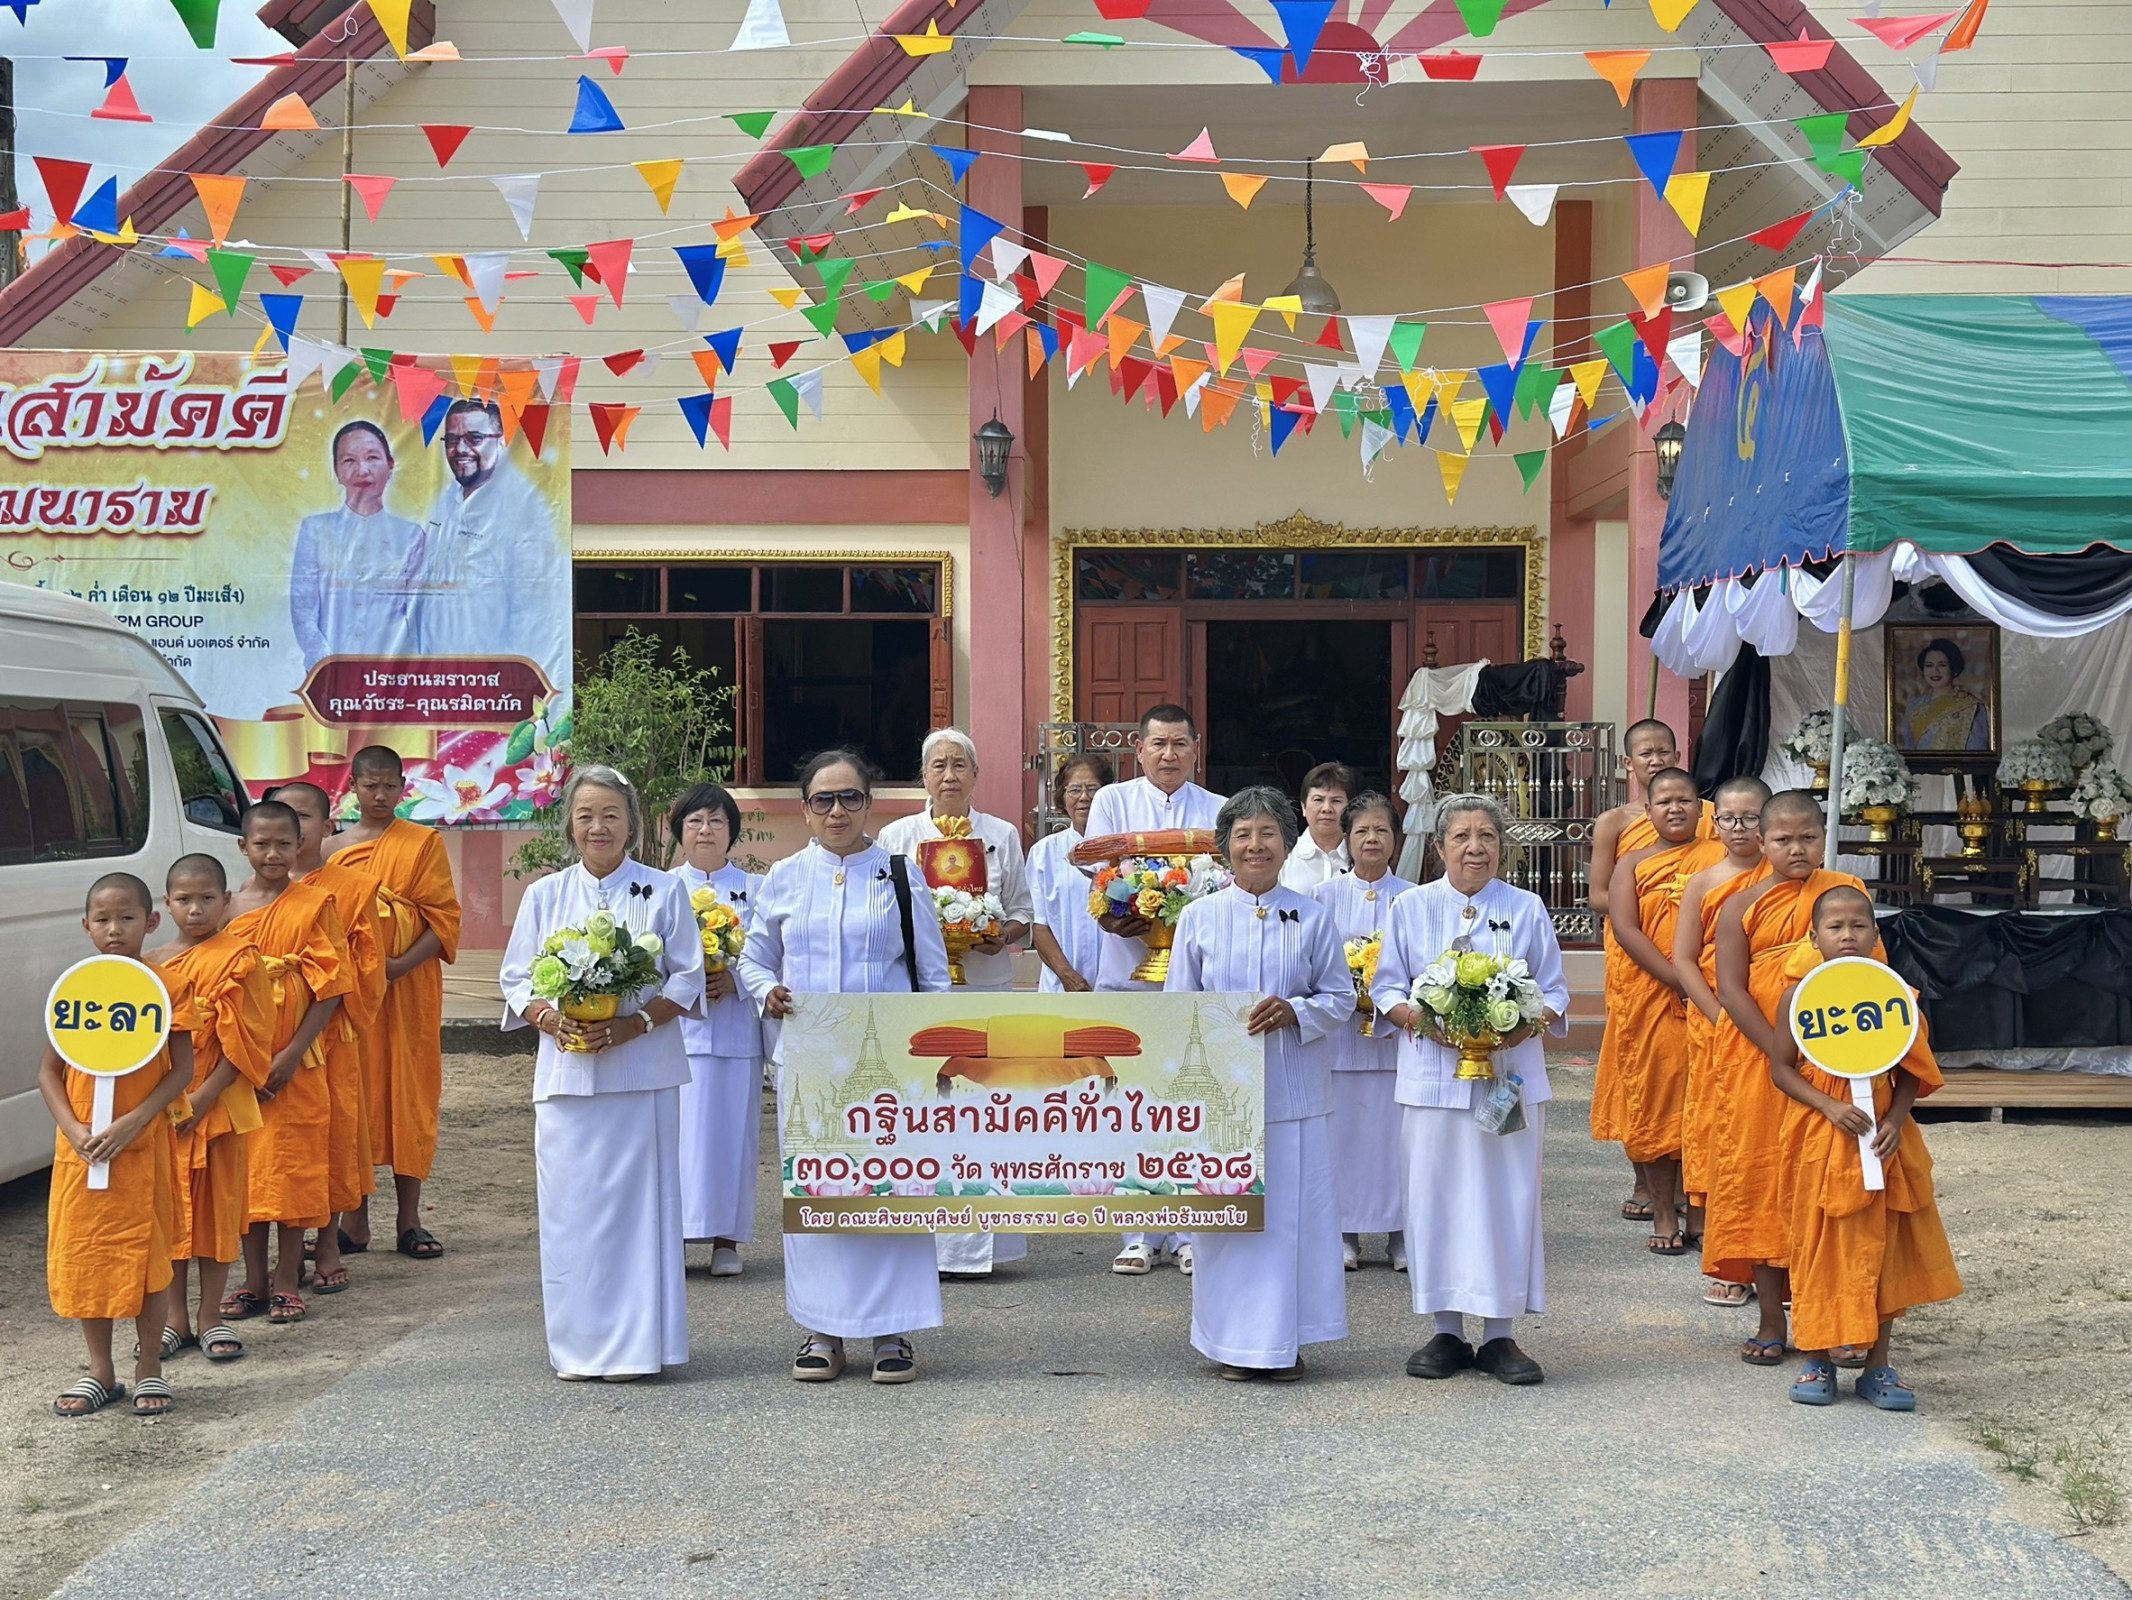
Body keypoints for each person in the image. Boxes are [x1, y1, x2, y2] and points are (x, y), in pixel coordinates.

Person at [736, 749, 952, 1385]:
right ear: (805, 810)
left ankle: (892, 1329)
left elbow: (933, 973)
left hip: (888, 1065)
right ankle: (822, 1328)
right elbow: (752, 959)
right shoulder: (783, 878)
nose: (837, 811)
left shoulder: (900, 876)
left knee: (890, 1191)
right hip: (809, 1064)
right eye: (823, 800)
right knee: (821, 1193)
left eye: (850, 797)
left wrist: (933, 1052)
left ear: (870, 804)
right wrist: (767, 991)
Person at [501, 765, 704, 1382]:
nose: (598, 826)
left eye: (611, 814)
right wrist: (550, 1019)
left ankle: (641, 1347)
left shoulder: (663, 890)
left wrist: (633, 1024)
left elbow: (687, 977)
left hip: (642, 1076)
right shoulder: (545, 895)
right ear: (569, 824)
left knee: (641, 1214)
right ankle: (579, 1347)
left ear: (632, 823)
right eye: (586, 815)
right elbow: (516, 979)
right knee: (571, 1212)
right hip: (566, 1077)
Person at [1376, 795, 1569, 1387]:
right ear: (1439, 848)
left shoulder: (1526, 907)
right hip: (1432, 1080)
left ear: (1502, 847)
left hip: (1507, 1081)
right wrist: (1421, 1019)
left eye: (1486, 836)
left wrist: (1519, 1024)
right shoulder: (1410, 906)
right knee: (1435, 1198)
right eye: (1460, 836)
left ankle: (1500, 1333)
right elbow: (1387, 988)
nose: (1474, 848)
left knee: (1506, 1198)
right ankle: (1446, 1331)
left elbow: (1555, 992)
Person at [1165, 786, 1353, 1380]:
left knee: (1291, 1222)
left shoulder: (1313, 916)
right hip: (1222, 1098)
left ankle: (1284, 1342)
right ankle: (1229, 1343)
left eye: (1267, 833)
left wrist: (1297, 1010)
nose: (1255, 845)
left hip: (1295, 1094)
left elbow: (1341, 997)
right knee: (1228, 1223)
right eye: (1243, 835)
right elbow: (1176, 1007)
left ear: (1287, 843)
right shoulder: (1198, 917)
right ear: (1225, 847)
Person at [1769, 887, 1963, 1410]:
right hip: (1821, 1136)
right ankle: (1817, 1359)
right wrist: (1829, 1107)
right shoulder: (1799, 997)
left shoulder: (1892, 994)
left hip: (1882, 1139)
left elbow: (1910, 1069)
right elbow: (1781, 1069)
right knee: (1818, 1246)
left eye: (1859, 925)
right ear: (1814, 937)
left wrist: (1896, 1119)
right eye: (1835, 927)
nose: (1847, 935)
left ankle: (1878, 1366)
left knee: (1882, 1248)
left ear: (1876, 934)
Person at [1708, 789, 1876, 1366]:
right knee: (1762, 1183)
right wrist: (1781, 1050)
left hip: (1833, 1063)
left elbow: (1870, 975)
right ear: (1761, 841)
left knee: (1827, 1187)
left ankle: (1833, 1317)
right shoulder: (1740, 905)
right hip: (1760, 1062)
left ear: (1824, 838)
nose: (1796, 849)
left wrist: (1826, 1053)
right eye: (1783, 839)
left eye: (1807, 837)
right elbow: (1731, 989)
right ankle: (1770, 1319)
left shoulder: (1847, 895)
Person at [877, 727, 1034, 1279]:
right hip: (920, 993)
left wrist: (1000, 934)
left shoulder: (1002, 834)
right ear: (923, 776)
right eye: (938, 765)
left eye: (959, 765)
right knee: (925, 1112)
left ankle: (983, 1249)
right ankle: (923, 1243)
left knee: (987, 1113)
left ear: (976, 775)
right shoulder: (896, 836)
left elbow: (1023, 912)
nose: (949, 775)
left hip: (986, 988)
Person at [1083, 704, 1226, 1276]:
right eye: (1159, 744)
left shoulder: (1218, 808)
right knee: (1131, 1105)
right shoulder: (1112, 801)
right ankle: (1138, 1232)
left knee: (1192, 1104)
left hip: (1196, 981)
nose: (1169, 755)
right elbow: (1095, 871)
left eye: (1180, 744)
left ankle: (1191, 1231)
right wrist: (1121, 906)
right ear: (1139, 750)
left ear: (1196, 749)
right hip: (1126, 974)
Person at [43, 874, 192, 1417]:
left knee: (148, 1259)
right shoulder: (76, 986)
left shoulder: (166, 987)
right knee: (89, 1255)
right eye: (102, 920)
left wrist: (135, 1120)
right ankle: (100, 1371)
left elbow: (182, 1070)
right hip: (82, 1150)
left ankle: (150, 1367)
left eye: (127, 919)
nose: (114, 930)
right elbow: (48, 1072)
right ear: (86, 926)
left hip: (141, 1146)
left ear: (150, 922)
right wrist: (72, 1129)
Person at [329, 745, 461, 1262]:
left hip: (407, 991)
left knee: (408, 1097)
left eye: (389, 786)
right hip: (354, 995)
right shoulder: (332, 850)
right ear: (353, 788)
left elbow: (443, 919)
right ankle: (355, 1221)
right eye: (370, 786)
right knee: (355, 1098)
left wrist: (399, 965)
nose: (380, 795)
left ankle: (409, 1220)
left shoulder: (422, 844)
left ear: (403, 788)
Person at [226, 800, 353, 1328]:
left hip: (297, 1063)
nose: (274, 854)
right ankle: (253, 1280)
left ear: (301, 843)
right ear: (243, 847)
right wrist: (238, 1060)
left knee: (294, 1172)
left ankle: (285, 1280)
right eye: (263, 844)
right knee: (247, 1175)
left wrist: (293, 1052)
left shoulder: (314, 904)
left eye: (285, 843)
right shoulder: (229, 908)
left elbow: (332, 986)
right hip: (239, 1065)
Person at [150, 854, 275, 1367]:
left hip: (217, 1105)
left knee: (219, 1212)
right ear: (167, 904)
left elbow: (248, 1041)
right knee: (170, 1213)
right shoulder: (152, 965)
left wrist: (201, 1100)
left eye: (206, 899)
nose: (196, 910)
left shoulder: (241, 959)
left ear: (226, 901)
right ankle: (174, 1319)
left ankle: (210, 1316)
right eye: (184, 900)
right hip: (163, 1109)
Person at [1587, 719, 1713, 1221]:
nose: (1656, 759)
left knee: (1689, 1072)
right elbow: (1599, 895)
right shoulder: (1615, 823)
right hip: (1638, 961)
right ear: (1628, 764)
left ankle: (1688, 1182)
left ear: (1679, 755)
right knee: (1641, 1069)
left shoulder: (1707, 821)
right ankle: (1646, 1180)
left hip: (1697, 959)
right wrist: (1650, 895)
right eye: (1646, 753)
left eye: (1664, 751)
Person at [1599, 769, 1727, 1256]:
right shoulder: (1631, 863)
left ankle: (1700, 1212)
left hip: (1711, 996)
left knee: (1705, 1104)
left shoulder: (1721, 856)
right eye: (1665, 802)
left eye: (1685, 800)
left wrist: (1701, 984)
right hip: (1654, 994)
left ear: (1701, 808)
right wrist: (1679, 979)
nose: (1676, 809)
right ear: (1648, 811)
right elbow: (1626, 929)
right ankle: (1665, 1212)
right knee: (1656, 1102)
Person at [276, 781, 385, 1296]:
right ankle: (280, 1258)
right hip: (271, 1041)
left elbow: (367, 969)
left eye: (302, 817)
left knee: (332, 1139)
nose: (292, 828)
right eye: (282, 815)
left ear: (327, 826)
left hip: (331, 1034)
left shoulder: (352, 888)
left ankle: (327, 1244)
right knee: (278, 1147)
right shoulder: (249, 894)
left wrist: (313, 1007)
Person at [1671, 775, 1771, 1308]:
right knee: (1722, 1141)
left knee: (1771, 1144)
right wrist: (1720, 1019)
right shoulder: (1703, 883)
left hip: (1776, 1027)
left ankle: (1779, 1261)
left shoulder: (1788, 881)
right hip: (1718, 1029)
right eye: (1727, 818)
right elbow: (1685, 960)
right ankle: (1731, 1260)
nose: (1737, 828)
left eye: (1750, 818)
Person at [1311, 792, 1417, 1272]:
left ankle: (1401, 1235)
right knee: (1343, 1141)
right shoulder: (1321, 898)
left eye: (1381, 830)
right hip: (1340, 1040)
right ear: (1347, 839)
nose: (1372, 839)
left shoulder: (1414, 898)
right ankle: (1343, 1234)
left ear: (1396, 839)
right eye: (1362, 831)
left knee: (1396, 1142)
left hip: (1397, 1042)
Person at [667, 782, 764, 1276]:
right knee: (677, 1143)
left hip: (734, 1033)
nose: (705, 830)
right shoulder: (660, 888)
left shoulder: (757, 889)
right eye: (695, 821)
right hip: (677, 1034)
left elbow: (771, 954)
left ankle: (726, 1241)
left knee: (732, 1138)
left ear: (732, 831)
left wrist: (735, 979)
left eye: (716, 821)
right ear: (679, 831)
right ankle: (674, 1240)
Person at [415, 399, 570, 690]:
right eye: (452, 440)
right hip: (436, 678)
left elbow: (533, 611)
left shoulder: (523, 509)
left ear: (501, 442)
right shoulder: (445, 500)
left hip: (489, 684)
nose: (461, 449)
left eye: (474, 438)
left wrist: (509, 682)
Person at [288, 420, 427, 673]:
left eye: (372, 457)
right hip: (329, 674)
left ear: (390, 465)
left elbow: (417, 614)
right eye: (349, 460)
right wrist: (326, 664)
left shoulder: (410, 535)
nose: (362, 470)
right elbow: (303, 608)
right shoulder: (316, 530)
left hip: (391, 677)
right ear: (337, 471)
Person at [1028, 754, 1113, 993]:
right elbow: (1039, 925)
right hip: (1061, 988)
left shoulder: (1124, 851)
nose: (1084, 797)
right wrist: (1068, 976)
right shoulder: (1044, 852)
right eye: (1075, 790)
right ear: (1062, 798)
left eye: (1093, 789)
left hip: (1116, 988)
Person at [1280, 762, 1356, 893]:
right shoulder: (1284, 856)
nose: (1327, 808)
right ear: (1303, 806)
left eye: (1336, 801)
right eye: (1318, 800)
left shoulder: (1361, 856)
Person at [1901, 638, 1988, 753]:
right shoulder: (1914, 706)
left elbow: (1978, 750)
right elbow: (1909, 749)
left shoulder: (1970, 706)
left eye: (1942, 665)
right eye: (1929, 665)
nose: (1935, 671)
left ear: (1953, 669)